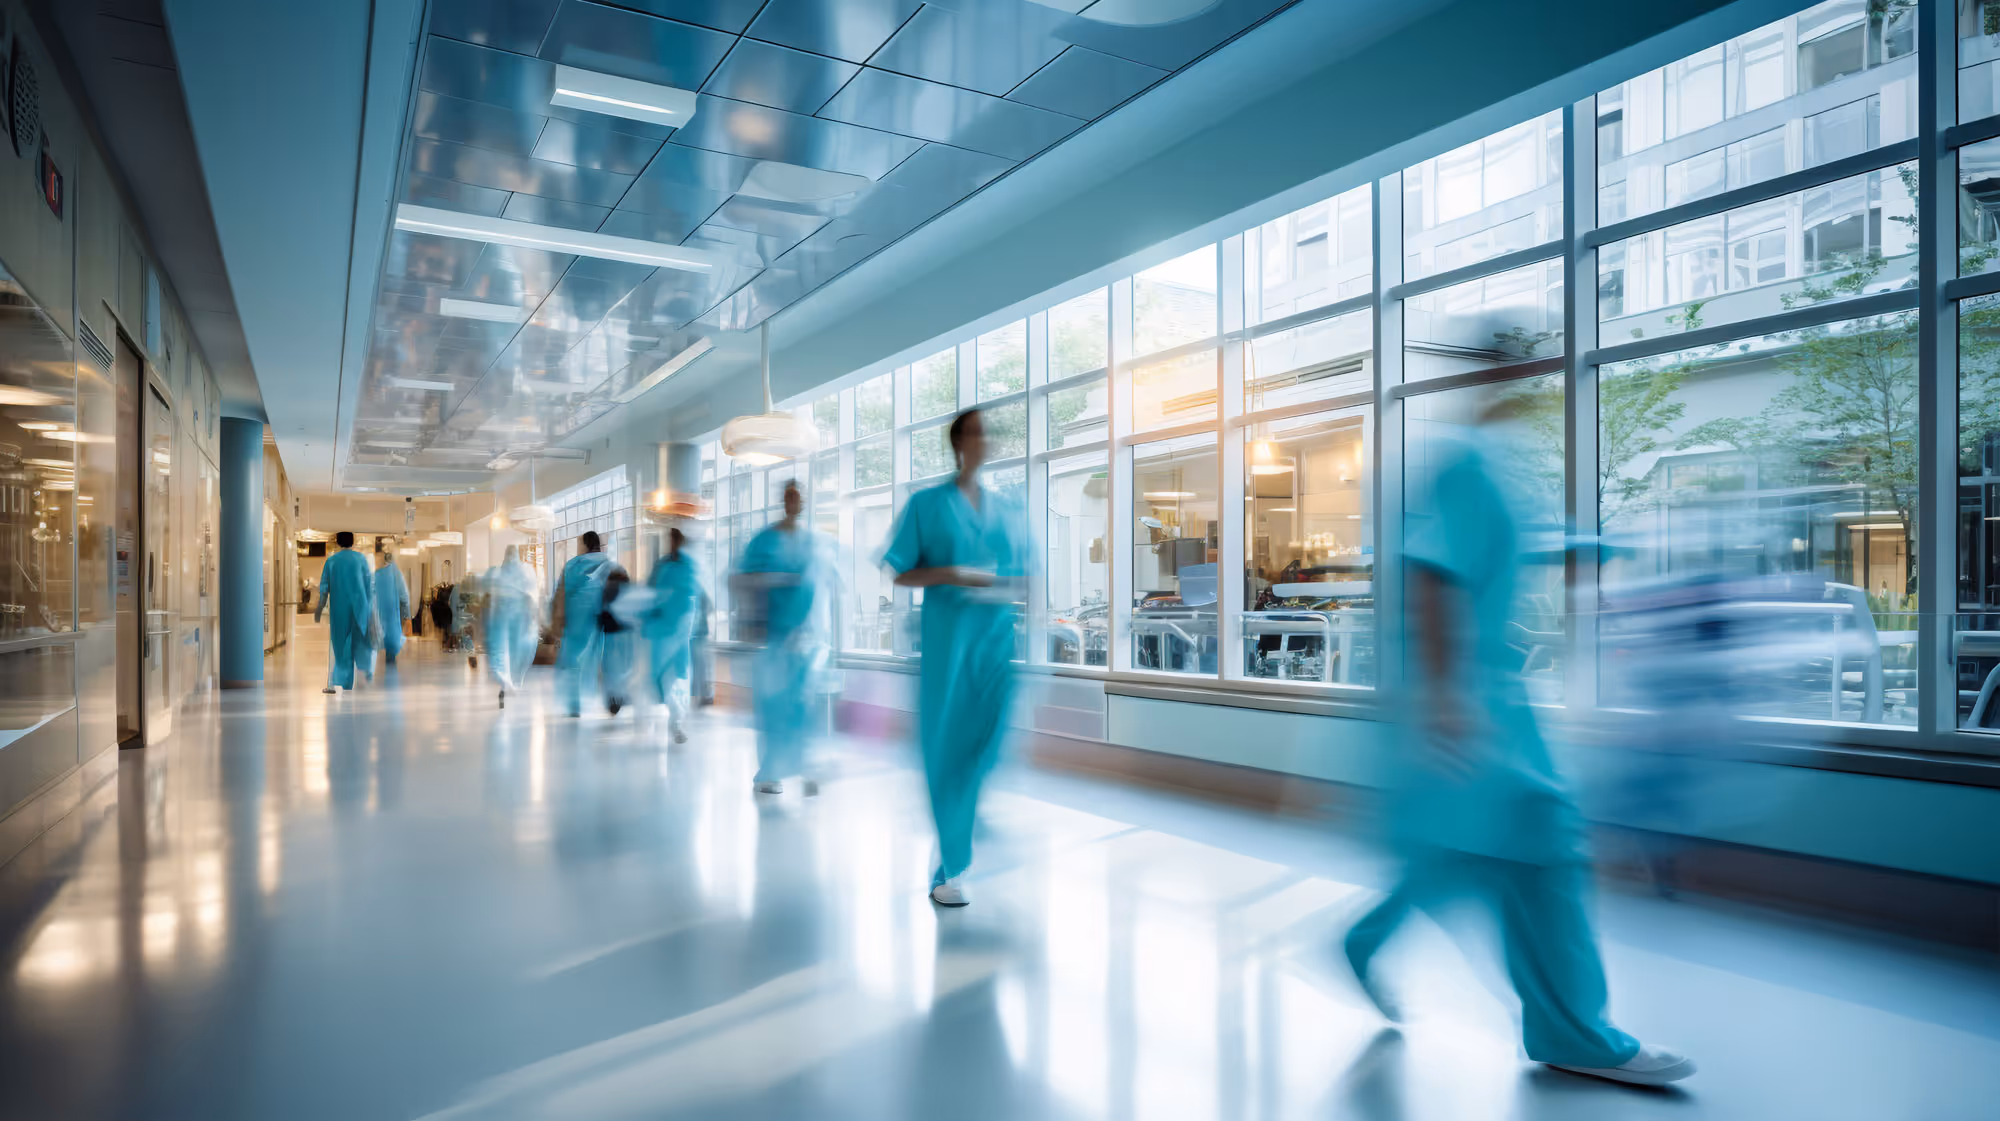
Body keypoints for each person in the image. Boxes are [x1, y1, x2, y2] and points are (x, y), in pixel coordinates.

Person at [1340, 398, 1694, 1087]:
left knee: (1469, 854)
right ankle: (1575, 1031)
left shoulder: (1494, 464)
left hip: (1480, 694)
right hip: (1468, 698)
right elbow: (1431, 576)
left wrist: (1576, 551)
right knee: (1540, 843)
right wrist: (1448, 698)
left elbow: (1490, 550)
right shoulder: (1464, 462)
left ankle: (1370, 938)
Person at [882, 407, 1024, 909]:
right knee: (949, 753)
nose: (985, 440)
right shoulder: (927, 505)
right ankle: (949, 866)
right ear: (958, 443)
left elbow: (1020, 575)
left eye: (989, 433)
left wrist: (1003, 585)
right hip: (950, 648)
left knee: (984, 746)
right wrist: (950, 574)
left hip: (994, 644)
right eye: (976, 433)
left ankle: (961, 819)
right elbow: (899, 570)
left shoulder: (1007, 508)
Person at [735, 482, 824, 795]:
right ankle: (768, 773)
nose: (794, 502)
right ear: (782, 501)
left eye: (798, 497)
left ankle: (801, 768)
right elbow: (742, 580)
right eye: (789, 496)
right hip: (771, 635)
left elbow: (814, 587)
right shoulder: (765, 541)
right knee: (773, 705)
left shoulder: (809, 542)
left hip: (802, 636)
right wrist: (770, 584)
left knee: (802, 705)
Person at [645, 527, 702, 743]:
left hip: (680, 633)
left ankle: (677, 722)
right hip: (661, 632)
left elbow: (692, 597)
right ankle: (675, 719)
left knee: (678, 678)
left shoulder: (688, 567)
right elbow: (651, 594)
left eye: (676, 539)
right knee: (664, 678)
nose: (673, 543)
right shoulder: (661, 566)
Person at [552, 531, 613, 717]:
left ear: (586, 545)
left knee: (573, 661)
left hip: (576, 618)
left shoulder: (572, 565)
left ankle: (574, 704)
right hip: (600, 617)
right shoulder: (609, 564)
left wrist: (557, 621)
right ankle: (608, 697)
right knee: (599, 658)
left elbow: (561, 594)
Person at [314, 531, 375, 695]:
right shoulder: (361, 559)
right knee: (360, 644)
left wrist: (319, 608)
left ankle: (338, 683)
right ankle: (362, 678)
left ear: (338, 542)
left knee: (339, 647)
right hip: (360, 608)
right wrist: (370, 608)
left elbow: (324, 587)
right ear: (352, 542)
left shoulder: (332, 561)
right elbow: (369, 585)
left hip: (339, 610)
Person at [481, 545, 541, 708]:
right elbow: (531, 597)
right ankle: (512, 682)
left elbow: (487, 596)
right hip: (518, 620)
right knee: (517, 652)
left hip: (501, 620)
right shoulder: (525, 573)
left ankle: (504, 683)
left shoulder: (497, 574)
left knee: (501, 652)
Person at [598, 563, 639, 716]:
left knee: (610, 669)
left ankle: (613, 700)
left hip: (611, 636)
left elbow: (600, 614)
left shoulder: (607, 592)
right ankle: (622, 696)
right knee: (627, 667)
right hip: (628, 636)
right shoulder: (630, 592)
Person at [372, 550, 413, 669]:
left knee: (386, 639)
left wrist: (407, 616)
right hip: (388, 616)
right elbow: (404, 597)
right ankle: (389, 661)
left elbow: (403, 597)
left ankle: (389, 661)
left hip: (385, 615)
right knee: (390, 641)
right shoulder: (394, 574)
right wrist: (407, 616)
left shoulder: (379, 575)